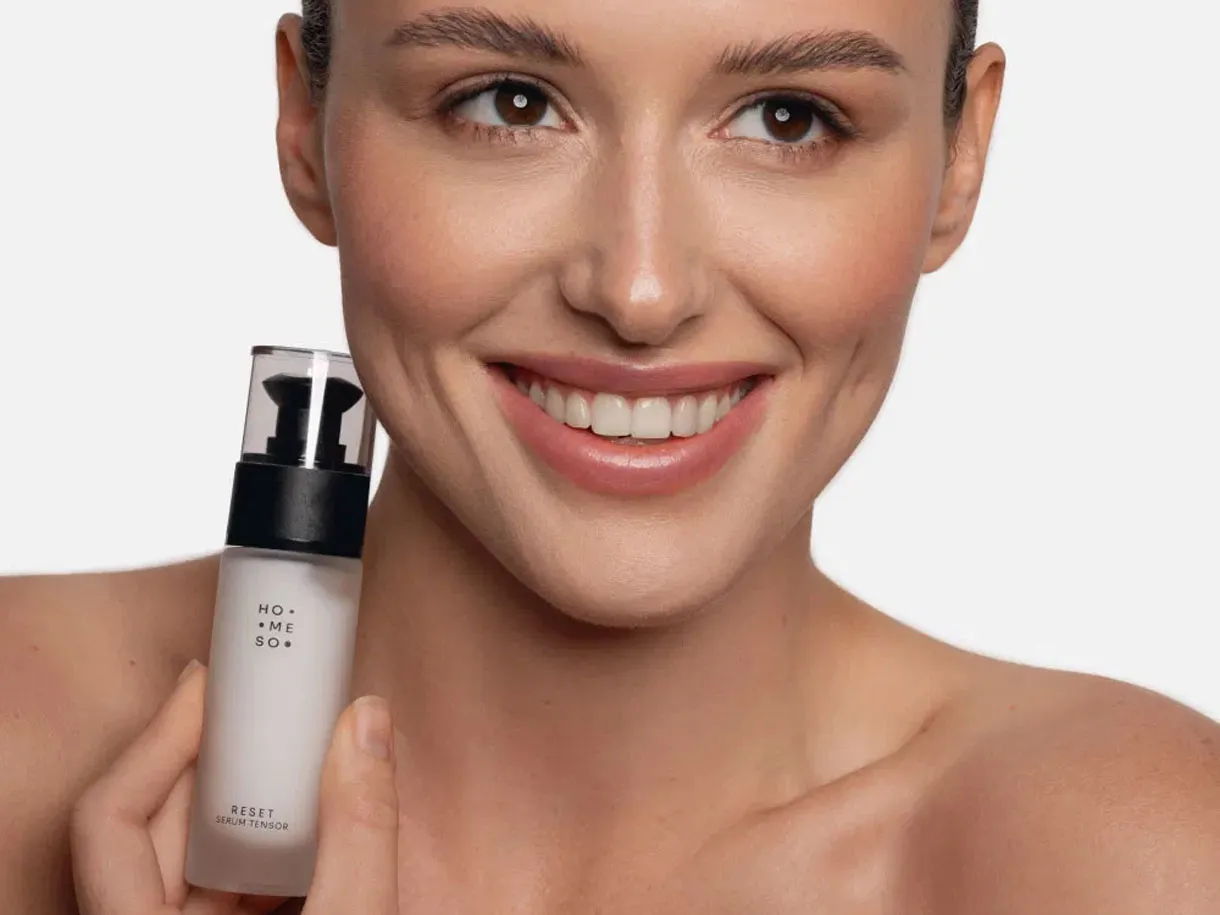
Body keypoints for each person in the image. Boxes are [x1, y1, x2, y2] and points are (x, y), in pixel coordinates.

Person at [2, 0, 1218, 912]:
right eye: (507, 104)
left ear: (958, 162)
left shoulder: (1126, 861)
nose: (639, 290)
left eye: (787, 118)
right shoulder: (24, 745)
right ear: (306, 125)